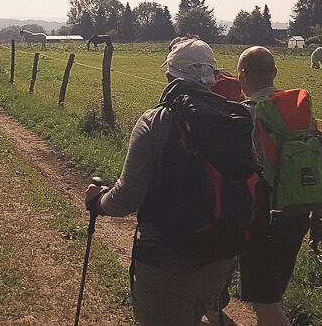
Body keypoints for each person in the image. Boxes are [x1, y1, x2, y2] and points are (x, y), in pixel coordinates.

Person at [85, 39, 249, 325]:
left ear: (169, 77)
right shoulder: (237, 117)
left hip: (166, 260)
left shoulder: (155, 121)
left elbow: (127, 197)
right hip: (221, 257)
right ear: (213, 77)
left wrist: (98, 202)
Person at [236, 46, 322, 326]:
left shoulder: (244, 115)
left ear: (242, 76)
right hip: (297, 213)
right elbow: (317, 162)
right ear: (275, 72)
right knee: (274, 292)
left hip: (262, 219)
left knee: (267, 307)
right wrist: (318, 216)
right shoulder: (297, 110)